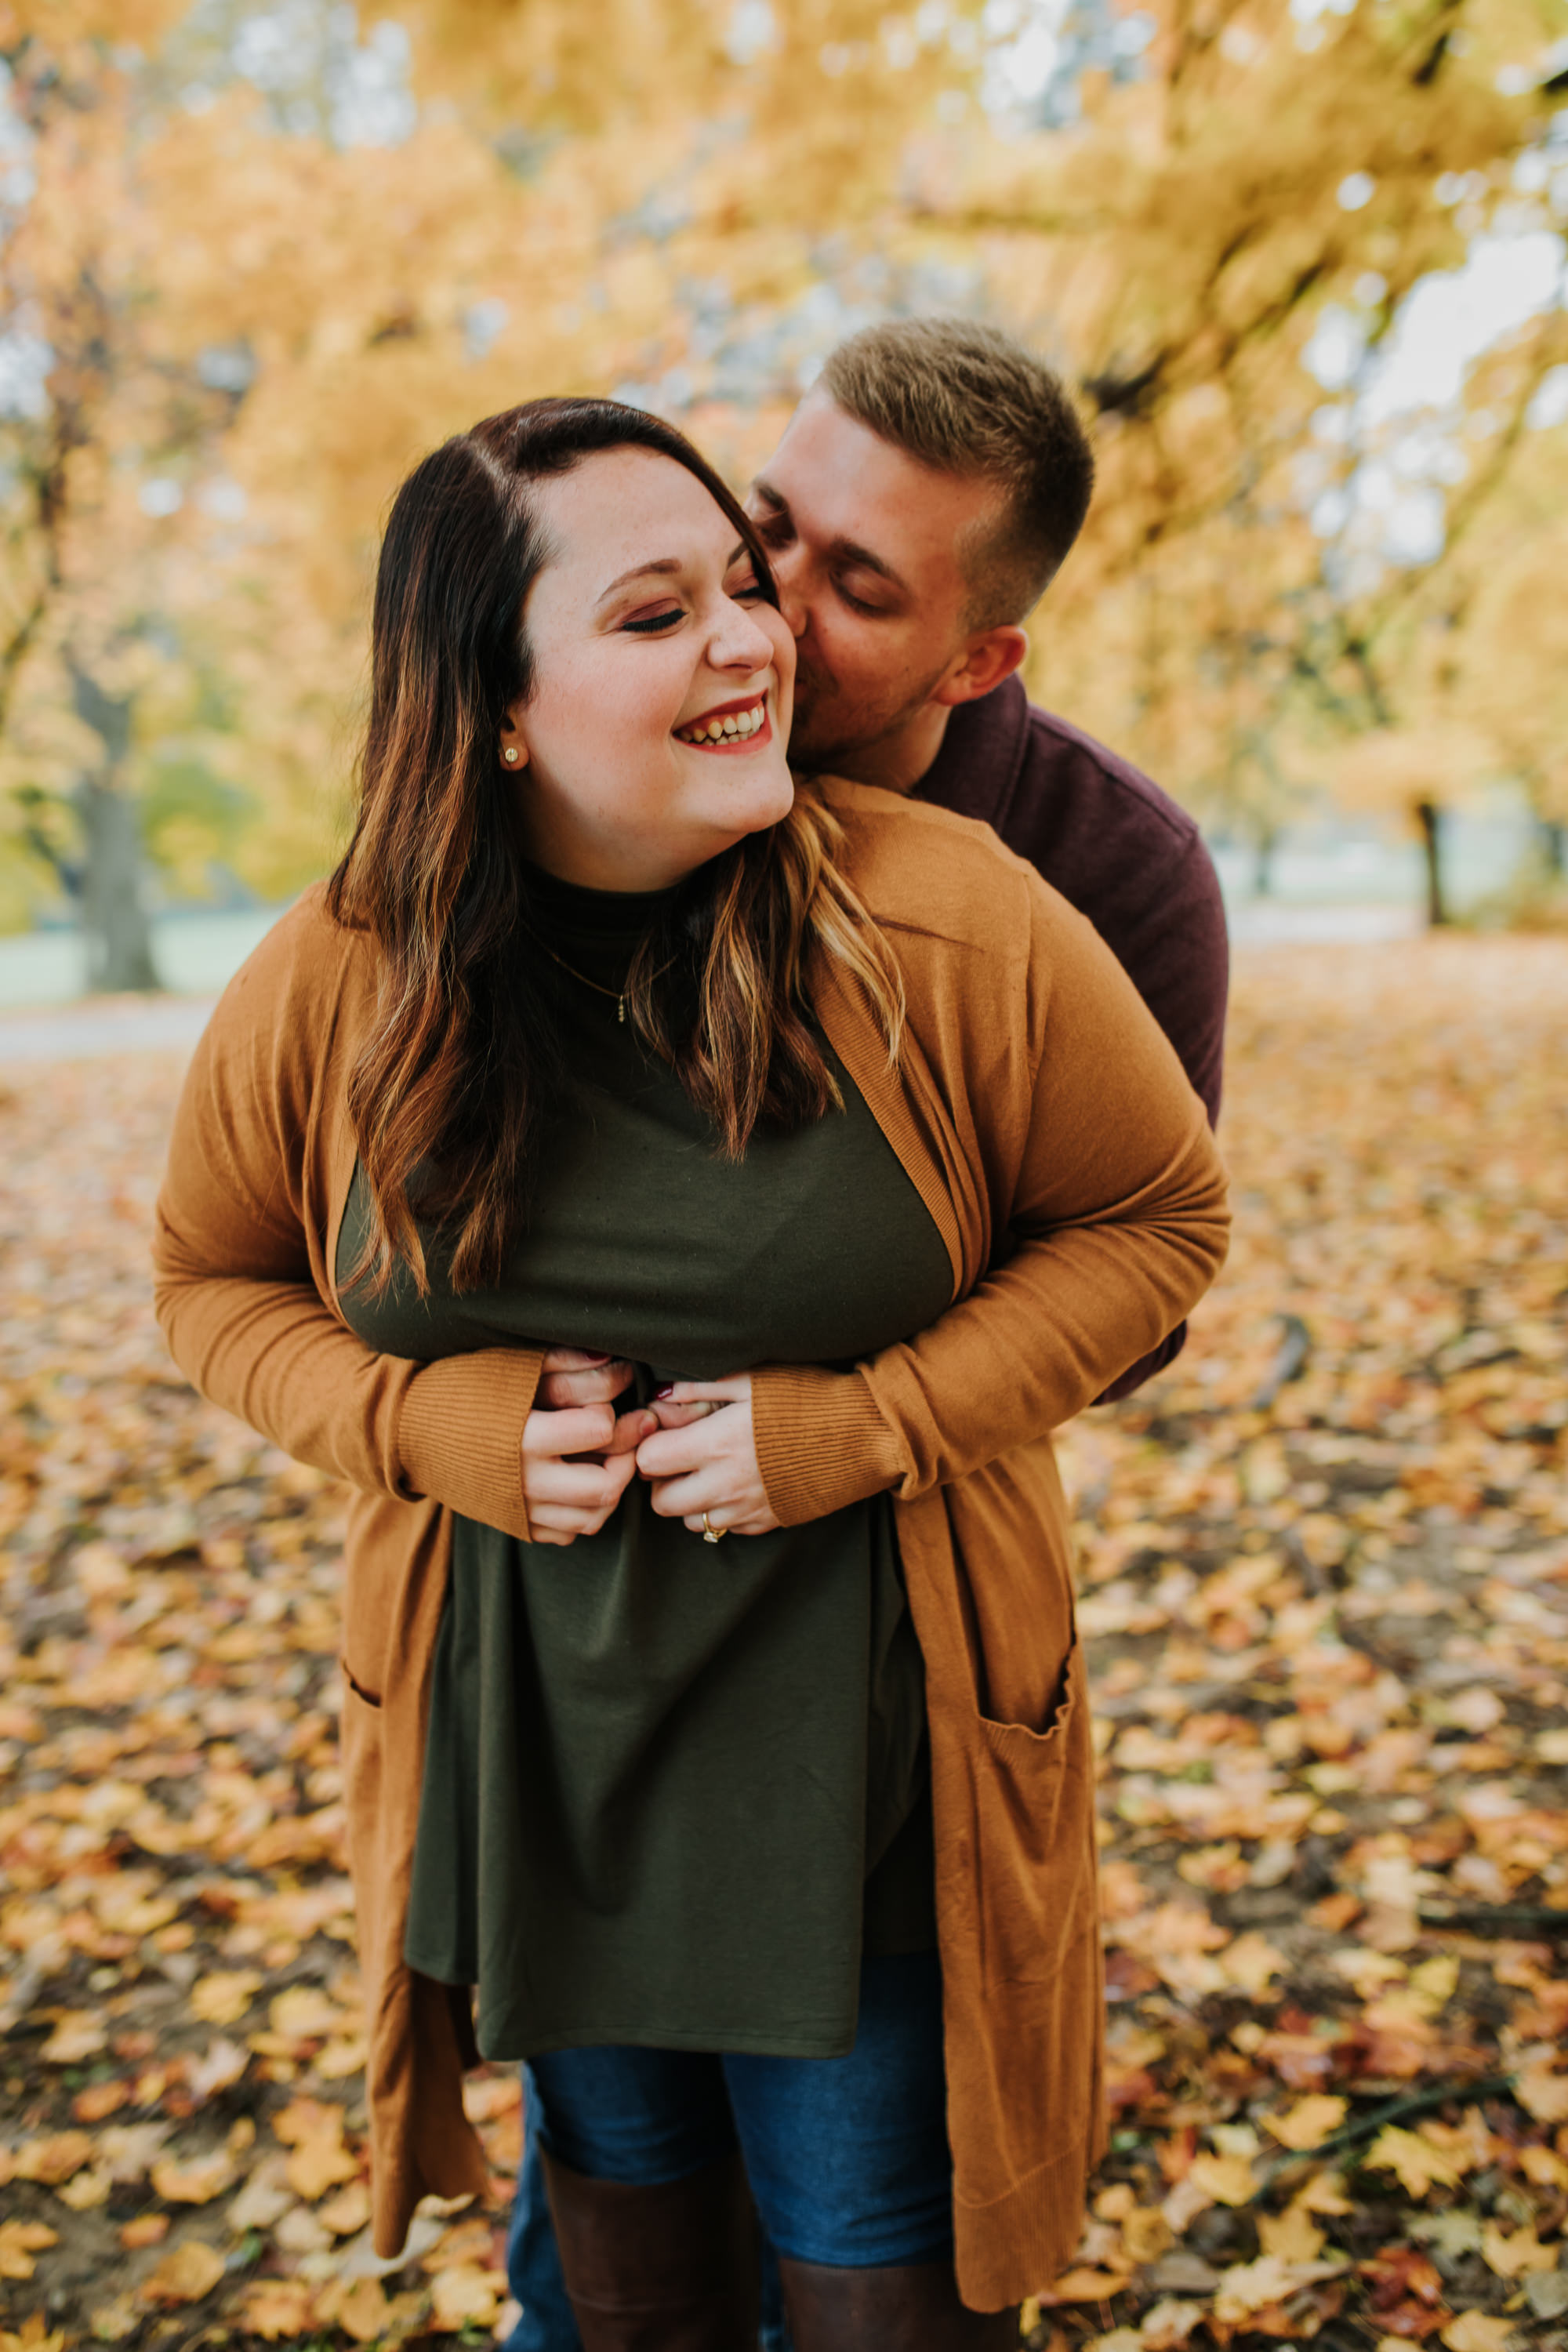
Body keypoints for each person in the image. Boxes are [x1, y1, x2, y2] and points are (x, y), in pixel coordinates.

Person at [153, 395, 1229, 2350]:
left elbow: (1158, 1222)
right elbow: (209, 1281)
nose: (757, 639)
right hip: (536, 1755)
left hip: (873, 1777)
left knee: (875, 2273)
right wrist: (422, 1423)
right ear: (487, 705)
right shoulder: (342, 973)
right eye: (662, 613)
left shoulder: (952, 920)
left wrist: (871, 1424)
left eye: (746, 585)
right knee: (623, 2278)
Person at [508, 321, 1231, 2348]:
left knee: (874, 2211)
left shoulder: (1094, 873)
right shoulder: (594, 762)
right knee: (610, 2232)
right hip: (575, 1638)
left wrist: (851, 1405)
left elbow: (1142, 1276)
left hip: (888, 1608)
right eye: (770, 531)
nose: (771, 610)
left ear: (978, 659)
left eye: (859, 585)